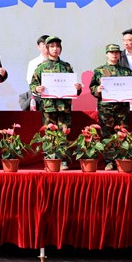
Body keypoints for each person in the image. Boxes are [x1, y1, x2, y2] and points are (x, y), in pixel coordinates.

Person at [30, 36, 82, 170]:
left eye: (57, 46)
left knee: (63, 133)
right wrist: (37, 88)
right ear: (47, 49)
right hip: (48, 107)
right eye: (52, 46)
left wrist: (77, 88)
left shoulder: (66, 66)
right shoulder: (41, 67)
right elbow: (33, 85)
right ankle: (51, 159)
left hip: (64, 107)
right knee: (50, 134)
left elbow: (74, 89)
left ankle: (63, 160)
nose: (55, 49)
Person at [89, 44, 132, 170]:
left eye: (116, 52)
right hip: (106, 108)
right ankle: (109, 161)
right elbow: (92, 87)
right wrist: (97, 89)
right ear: (106, 54)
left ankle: (121, 159)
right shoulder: (99, 71)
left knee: (123, 133)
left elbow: (130, 87)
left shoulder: (126, 71)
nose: (114, 55)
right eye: (111, 52)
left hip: (122, 108)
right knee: (107, 134)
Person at [21, 35, 49, 110]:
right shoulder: (34, 63)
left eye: (48, 44)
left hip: (54, 99)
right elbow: (30, 80)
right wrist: (36, 88)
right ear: (38, 47)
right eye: (43, 44)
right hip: (39, 98)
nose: (46, 46)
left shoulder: (59, 64)